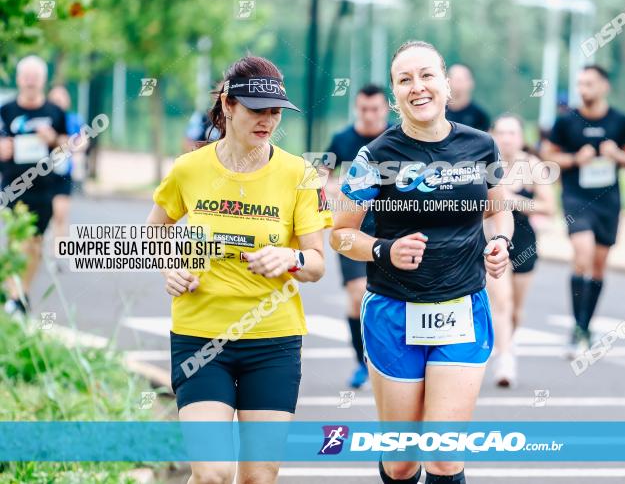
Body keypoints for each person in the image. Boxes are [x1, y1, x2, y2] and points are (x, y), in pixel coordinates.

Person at [331, 41, 513, 484]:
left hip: (462, 308)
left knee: (445, 456)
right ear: (395, 95)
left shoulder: (482, 146)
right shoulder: (374, 157)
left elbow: (499, 208)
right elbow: (340, 234)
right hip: (395, 311)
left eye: (427, 75)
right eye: (405, 79)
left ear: (446, 84)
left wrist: (502, 241)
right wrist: (382, 250)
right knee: (402, 461)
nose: (418, 87)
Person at [147, 55, 328, 484]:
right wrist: (169, 267)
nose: (267, 121)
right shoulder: (189, 168)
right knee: (212, 473)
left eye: (275, 112)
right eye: (256, 110)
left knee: (258, 476)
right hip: (201, 336)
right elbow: (154, 233)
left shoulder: (299, 174)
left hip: (273, 341)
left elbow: (316, 263)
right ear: (228, 105)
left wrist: (292, 259)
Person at [541, 65, 625, 358]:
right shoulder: (566, 122)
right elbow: (547, 156)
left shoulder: (620, 122)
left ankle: (585, 325)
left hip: (608, 202)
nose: (584, 89)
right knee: (581, 254)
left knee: (597, 264)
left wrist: (618, 155)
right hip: (575, 198)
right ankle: (577, 327)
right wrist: (574, 159)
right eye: (580, 84)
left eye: (590, 84)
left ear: (604, 87)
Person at [324, 83, 390, 389]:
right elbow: (320, 178)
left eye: (375, 109)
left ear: (386, 109)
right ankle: (364, 362)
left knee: (389, 298)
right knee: (357, 295)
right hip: (353, 229)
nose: (369, 115)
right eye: (363, 109)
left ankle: (390, 359)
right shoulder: (342, 139)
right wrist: (333, 191)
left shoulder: (396, 139)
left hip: (392, 230)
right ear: (356, 109)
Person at [487, 113, 555, 387]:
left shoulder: (534, 165)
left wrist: (514, 201)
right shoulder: (484, 165)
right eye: (501, 133)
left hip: (525, 243)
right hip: (493, 241)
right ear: (492, 135)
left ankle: (506, 344)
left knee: (516, 309)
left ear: (521, 137)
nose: (506, 138)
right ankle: (505, 361)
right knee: (501, 302)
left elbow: (548, 207)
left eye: (512, 133)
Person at [0, 56, 68, 317]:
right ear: (18, 79)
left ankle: (22, 293)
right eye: (25, 76)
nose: (29, 82)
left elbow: (68, 145)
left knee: (35, 243)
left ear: (43, 81)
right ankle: (14, 296)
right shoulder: (5, 110)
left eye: (35, 77)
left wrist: (53, 139)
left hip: (44, 187)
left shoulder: (53, 111)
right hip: (13, 186)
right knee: (17, 240)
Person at [47, 85, 86, 243]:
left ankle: (58, 254)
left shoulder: (74, 119)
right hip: (42, 174)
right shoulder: (44, 119)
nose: (58, 104)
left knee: (60, 215)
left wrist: (69, 145)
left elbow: (83, 142)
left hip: (64, 173)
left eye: (61, 100)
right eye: (55, 100)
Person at [445, 63, 491, 131]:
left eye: (461, 79)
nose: (458, 84)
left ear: (471, 83)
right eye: (454, 79)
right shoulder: (437, 112)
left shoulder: (480, 116)